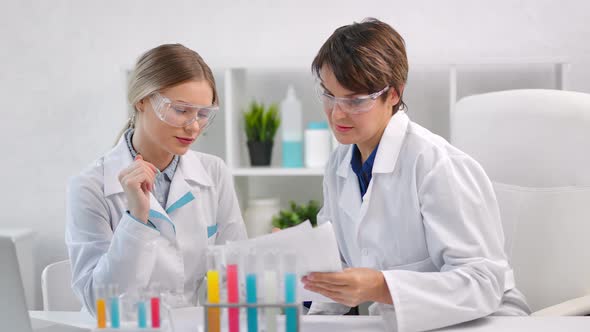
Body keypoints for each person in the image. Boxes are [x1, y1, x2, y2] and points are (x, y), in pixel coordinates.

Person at [301, 18, 531, 331]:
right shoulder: (339, 164)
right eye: (329, 95)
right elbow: (341, 265)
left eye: (354, 100)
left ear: (393, 94)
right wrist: (300, 262)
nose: (337, 113)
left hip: (486, 320)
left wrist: (381, 287)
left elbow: (483, 282)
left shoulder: (437, 164)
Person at [66, 44, 247, 314]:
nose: (193, 126)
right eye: (181, 110)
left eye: (202, 114)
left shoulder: (214, 173)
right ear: (142, 100)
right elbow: (99, 304)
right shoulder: (90, 186)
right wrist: (136, 218)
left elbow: (235, 274)